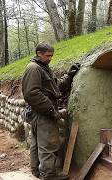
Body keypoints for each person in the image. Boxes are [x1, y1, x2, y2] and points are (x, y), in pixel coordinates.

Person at [22, 42, 79, 180]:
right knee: (48, 145)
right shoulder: (33, 68)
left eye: (52, 55)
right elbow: (31, 93)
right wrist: (51, 110)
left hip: (40, 112)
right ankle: (48, 176)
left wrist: (69, 75)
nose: (50, 58)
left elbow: (56, 85)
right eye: (48, 55)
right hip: (42, 114)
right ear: (39, 54)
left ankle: (36, 172)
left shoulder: (43, 67)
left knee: (37, 144)